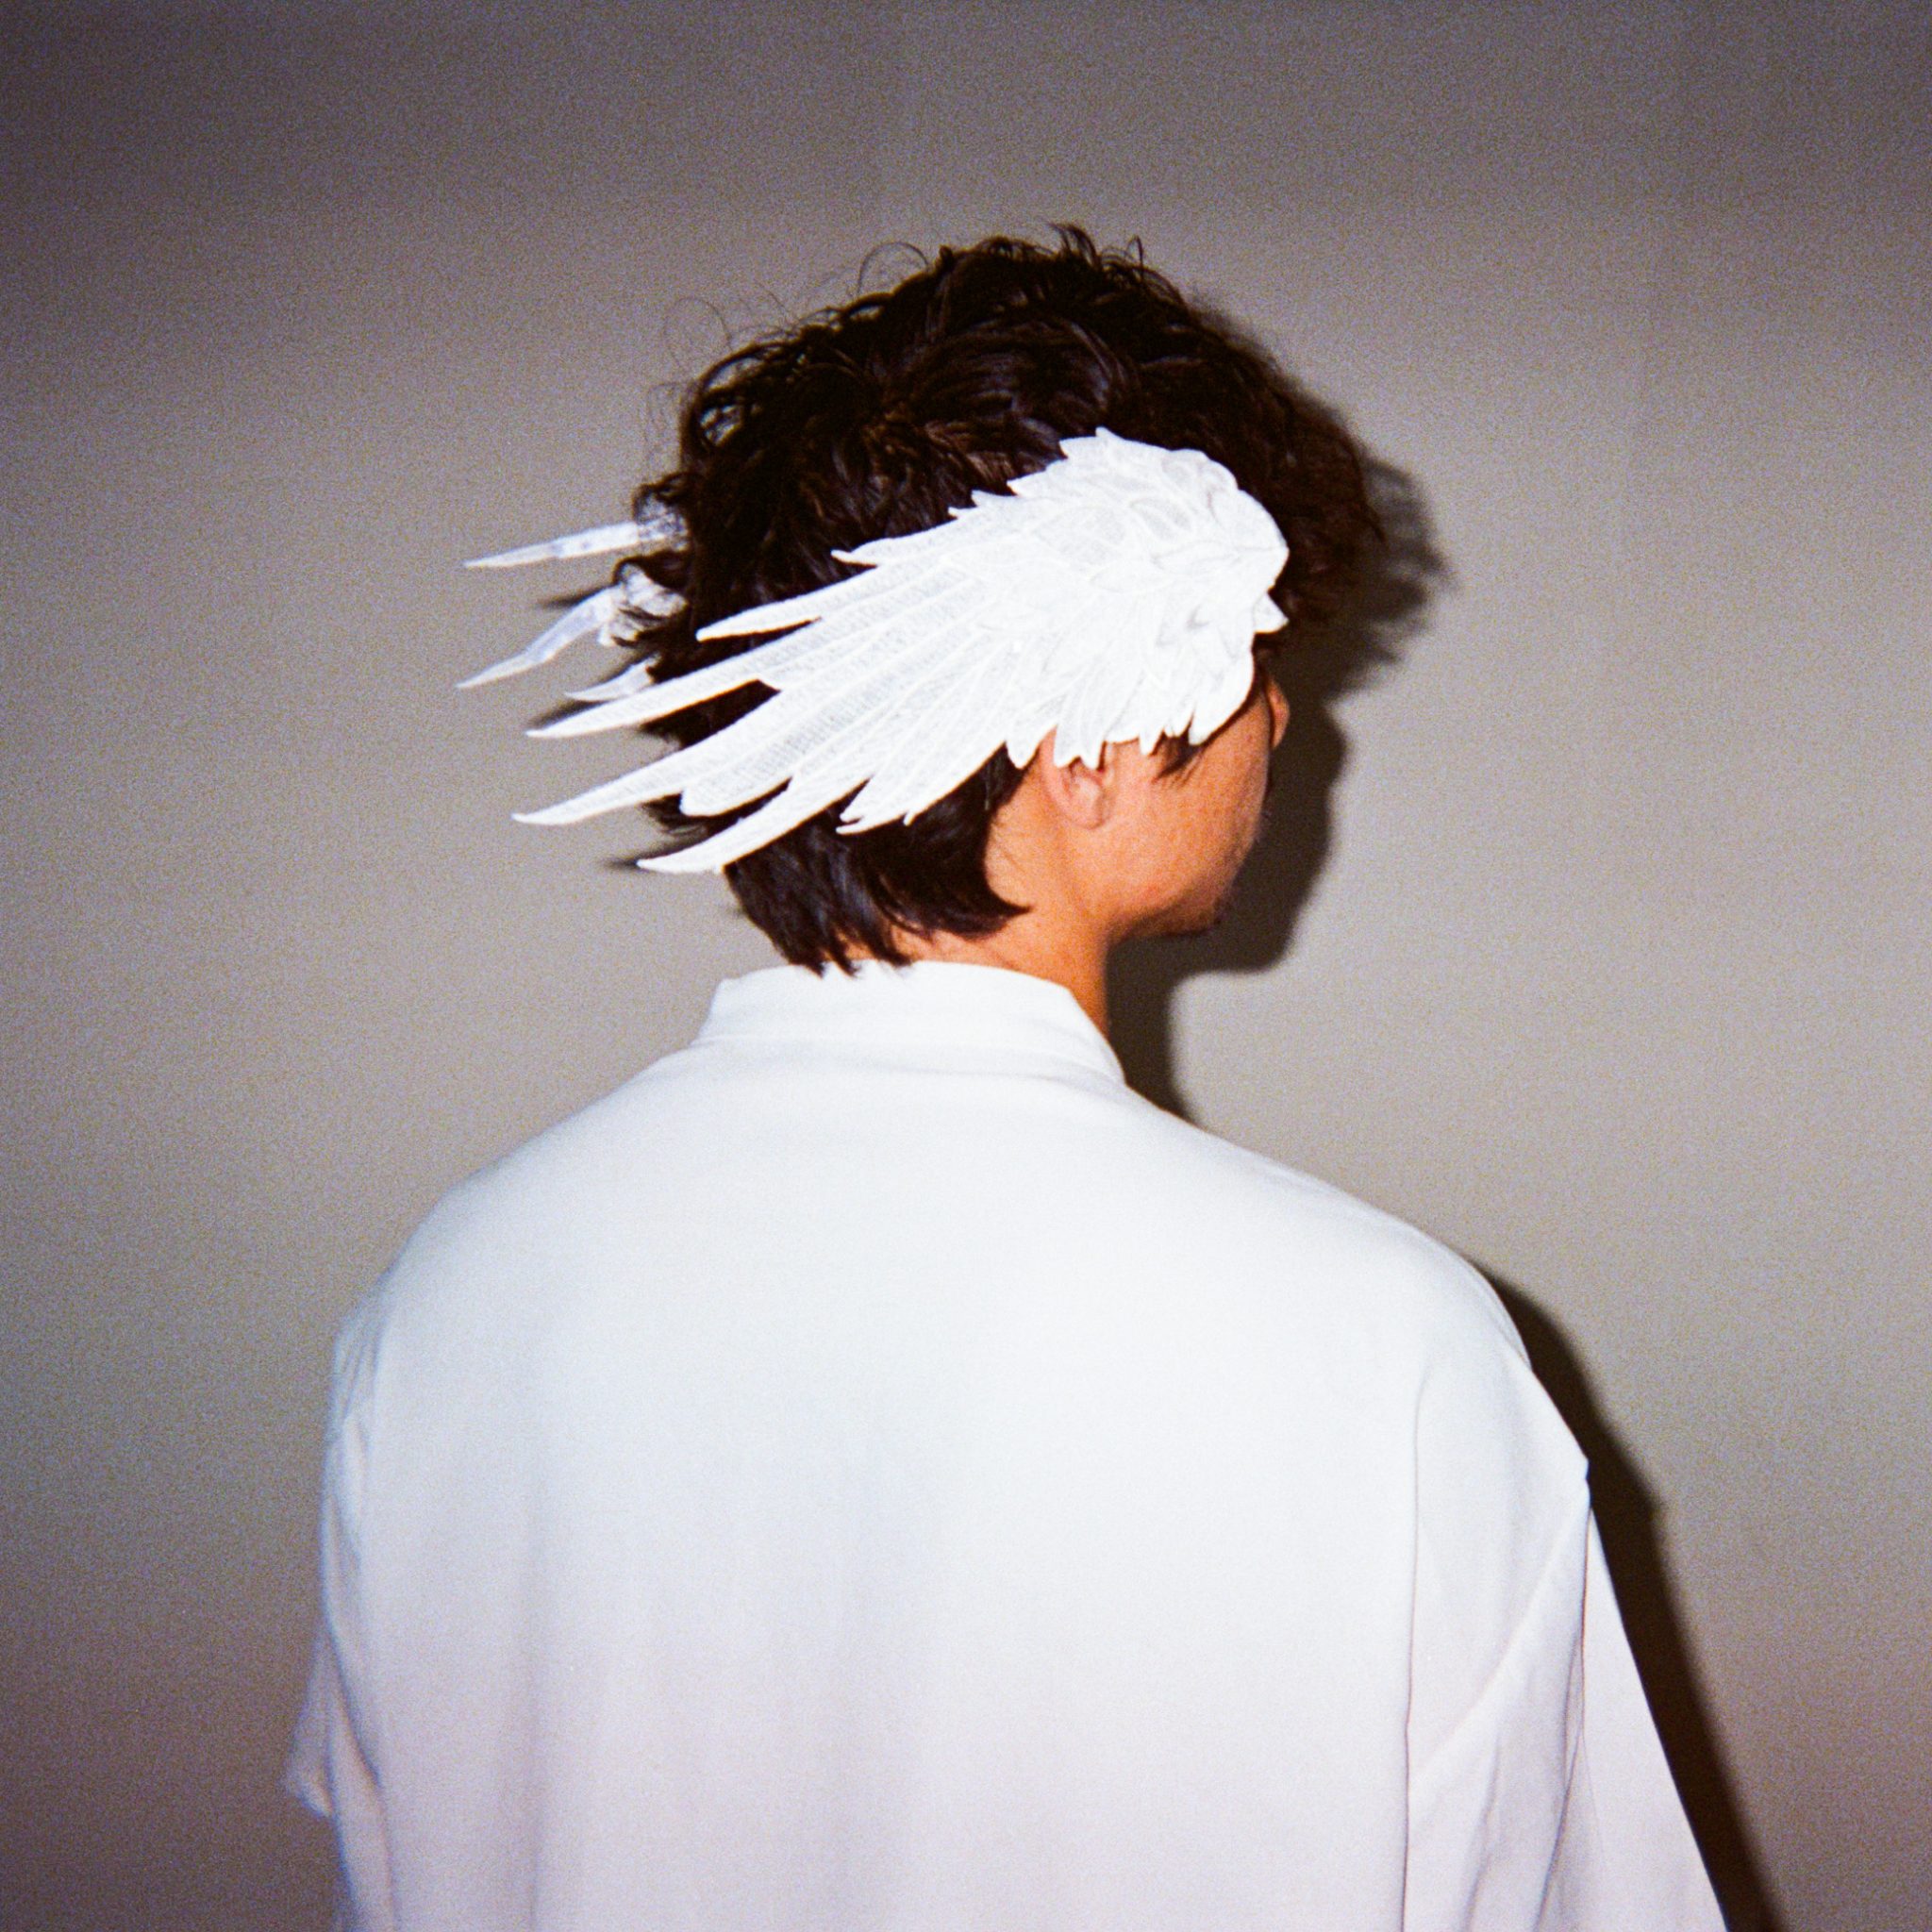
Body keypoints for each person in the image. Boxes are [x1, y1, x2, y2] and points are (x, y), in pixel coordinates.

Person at [288, 230, 1723, 1930]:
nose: (1282, 724)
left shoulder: (447, 1304)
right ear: (1094, 747)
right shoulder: (1384, 1355)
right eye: (1256, 660)